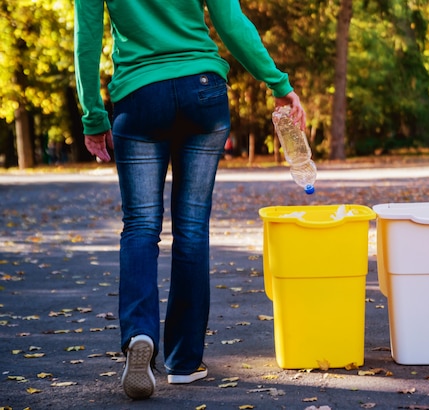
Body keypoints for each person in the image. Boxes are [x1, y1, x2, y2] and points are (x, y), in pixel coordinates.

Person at [74, 0, 305, 400]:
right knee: (192, 228)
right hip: (203, 90)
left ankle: (140, 334)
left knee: (141, 226)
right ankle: (183, 362)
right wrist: (278, 85)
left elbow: (87, 37)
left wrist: (93, 115)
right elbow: (230, 21)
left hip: (139, 94)